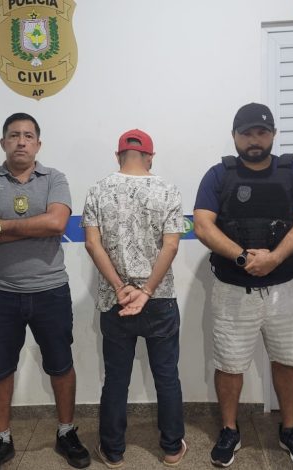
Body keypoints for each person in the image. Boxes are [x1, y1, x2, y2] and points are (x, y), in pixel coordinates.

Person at [193, 102, 293, 468]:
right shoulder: (218, 175)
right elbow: (203, 226)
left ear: (273, 134)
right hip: (233, 288)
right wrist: (244, 258)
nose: (254, 140)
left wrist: (274, 259)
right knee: (229, 363)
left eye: (261, 132)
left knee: (288, 360)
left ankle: (289, 429)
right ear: (234, 136)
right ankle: (229, 430)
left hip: (285, 288)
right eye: (246, 133)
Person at [0, 113, 91, 470]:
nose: (21, 141)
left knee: (61, 365)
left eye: (28, 136)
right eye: (13, 135)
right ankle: (1, 440)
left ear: (38, 144)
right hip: (0, 293)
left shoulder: (55, 178)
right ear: (3, 142)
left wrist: (1, 226)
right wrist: (30, 226)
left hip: (50, 290)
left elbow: (57, 223)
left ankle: (66, 432)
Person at [82, 129, 187, 468]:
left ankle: (113, 451)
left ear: (118, 156)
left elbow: (92, 244)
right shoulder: (168, 190)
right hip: (159, 298)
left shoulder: (98, 190)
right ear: (150, 157)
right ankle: (172, 449)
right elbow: (171, 246)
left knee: (116, 379)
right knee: (166, 376)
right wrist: (147, 290)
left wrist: (119, 287)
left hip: (117, 300)